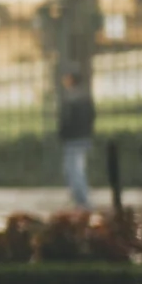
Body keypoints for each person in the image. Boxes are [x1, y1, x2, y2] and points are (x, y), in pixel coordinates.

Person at [57, 67, 95, 211]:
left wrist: (64, 133)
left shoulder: (72, 97)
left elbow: (68, 120)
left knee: (74, 169)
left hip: (74, 139)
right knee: (75, 168)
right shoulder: (83, 96)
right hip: (81, 137)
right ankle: (79, 199)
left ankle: (82, 200)